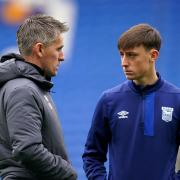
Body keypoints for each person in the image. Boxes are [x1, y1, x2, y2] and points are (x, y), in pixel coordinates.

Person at [82, 23, 180, 180]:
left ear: (153, 55)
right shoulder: (109, 100)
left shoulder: (176, 99)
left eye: (132, 55)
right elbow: (92, 155)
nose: (124, 62)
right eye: (122, 54)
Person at [0, 14, 77, 180]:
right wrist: (67, 173)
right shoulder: (23, 90)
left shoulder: (32, 87)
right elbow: (27, 149)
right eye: (58, 49)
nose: (62, 56)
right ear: (40, 49)